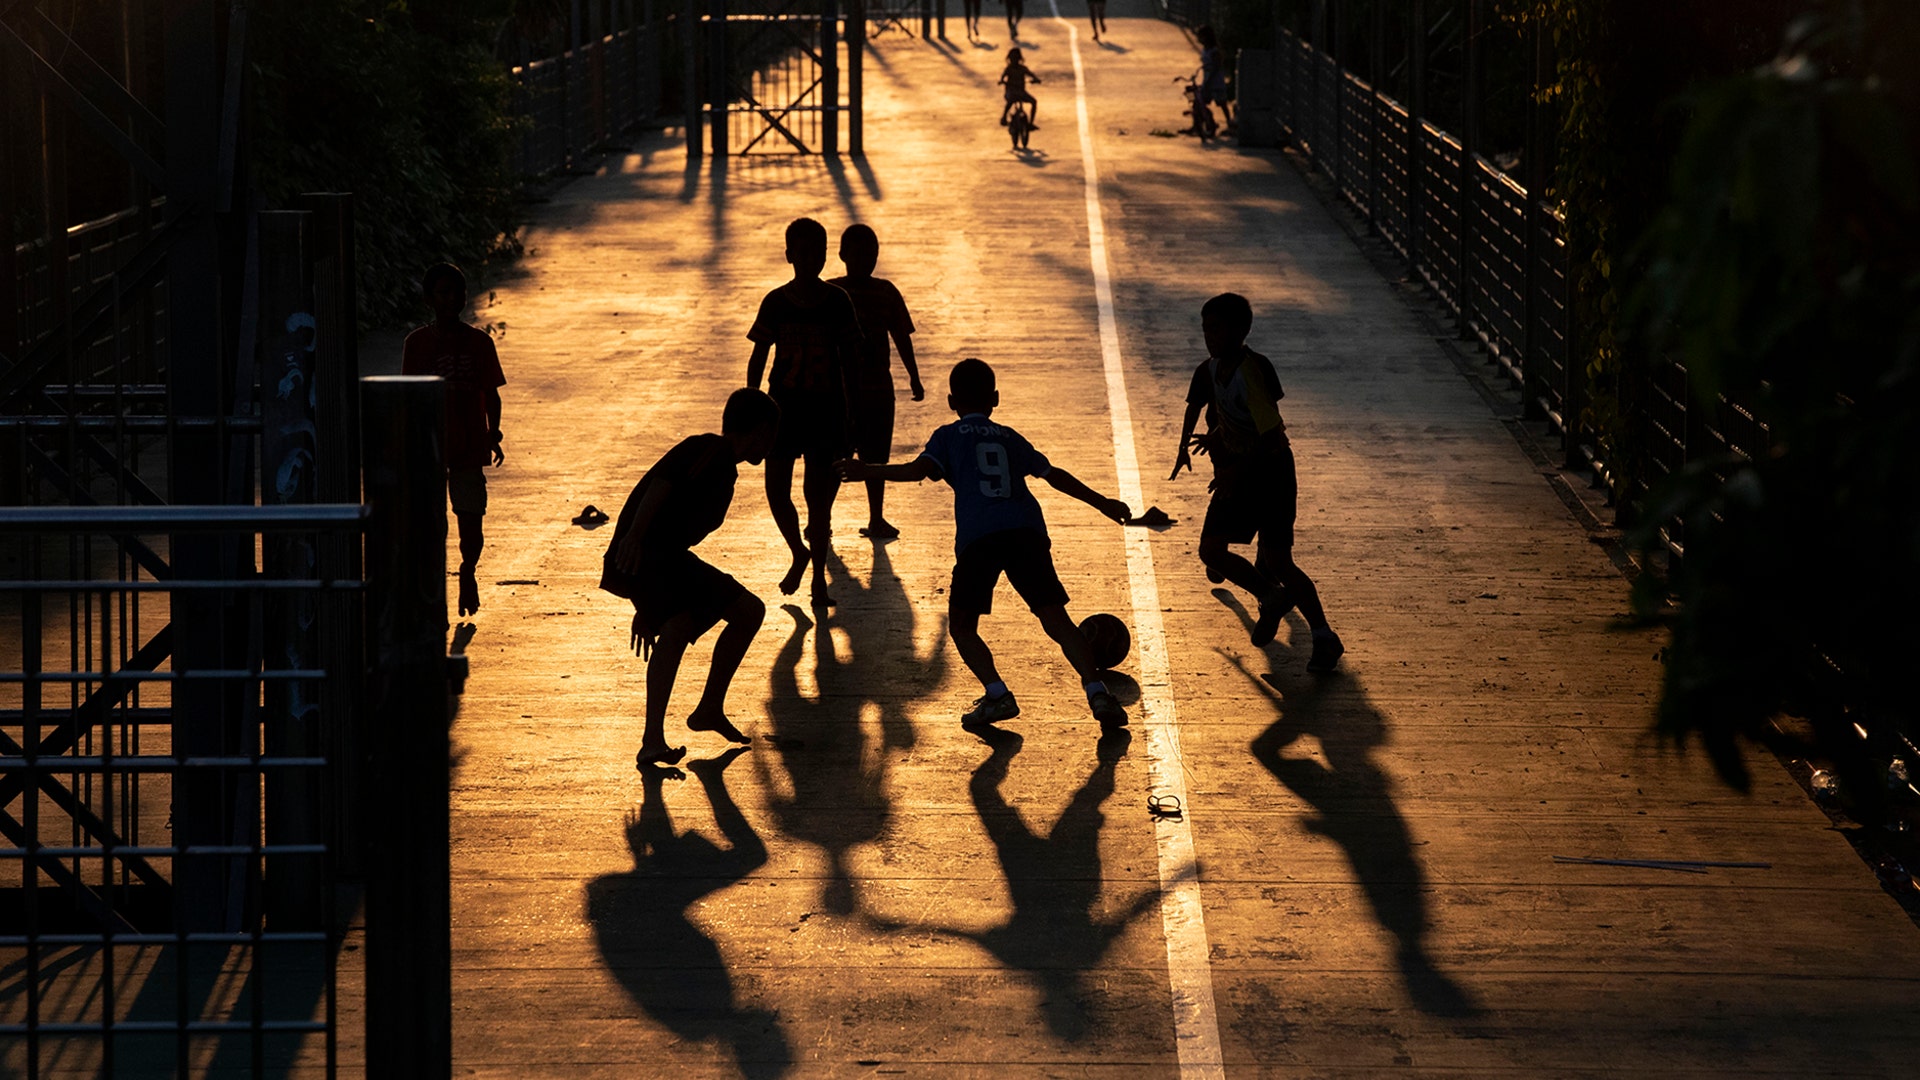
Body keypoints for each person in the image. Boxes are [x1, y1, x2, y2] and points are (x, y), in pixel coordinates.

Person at [838, 358, 1131, 731]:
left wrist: (869, 470)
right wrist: (1102, 502)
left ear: (950, 401)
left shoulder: (946, 436)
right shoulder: (1009, 437)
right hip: (1026, 530)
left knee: (962, 626)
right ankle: (1097, 690)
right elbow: (1053, 476)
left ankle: (997, 694)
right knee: (1055, 618)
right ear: (995, 398)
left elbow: (918, 472)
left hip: (981, 537)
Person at [600, 388, 781, 767]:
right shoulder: (709, 451)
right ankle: (658, 736)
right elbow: (660, 485)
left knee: (693, 622)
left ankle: (706, 711)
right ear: (762, 431)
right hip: (648, 554)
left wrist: (645, 599)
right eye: (773, 434)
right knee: (741, 612)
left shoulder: (724, 465)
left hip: (664, 561)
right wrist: (634, 538)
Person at [1170, 293, 1343, 672]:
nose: (1208, 336)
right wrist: (1192, 443)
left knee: (1279, 559)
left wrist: (1233, 469)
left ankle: (1323, 636)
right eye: (1205, 329)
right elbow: (1200, 408)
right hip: (1238, 472)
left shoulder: (1254, 371)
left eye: (1215, 328)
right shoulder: (1210, 369)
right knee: (1212, 551)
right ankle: (1270, 596)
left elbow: (1272, 437)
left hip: (1270, 473)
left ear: (1240, 330)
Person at [746, 217, 864, 608]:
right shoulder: (776, 302)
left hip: (826, 413)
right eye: (804, 251)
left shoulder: (837, 302)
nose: (812, 257)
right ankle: (798, 550)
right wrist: (752, 403)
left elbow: (851, 362)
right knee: (777, 491)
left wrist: (854, 416)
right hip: (783, 411)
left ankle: (817, 578)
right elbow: (759, 355)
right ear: (789, 255)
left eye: (819, 250)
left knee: (819, 501)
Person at [401, 262, 506, 618]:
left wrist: (494, 433)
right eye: (443, 292)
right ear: (429, 298)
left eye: (456, 292)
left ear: (464, 297)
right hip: (429, 447)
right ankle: (436, 599)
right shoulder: (416, 344)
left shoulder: (479, 343)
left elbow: (492, 394)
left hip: (470, 445)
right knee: (432, 526)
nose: (451, 299)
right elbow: (407, 399)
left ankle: (467, 570)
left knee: (470, 522)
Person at [827, 224, 924, 541]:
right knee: (833, 457)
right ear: (842, 255)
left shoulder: (885, 292)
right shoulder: (832, 293)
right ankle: (822, 518)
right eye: (859, 253)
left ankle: (876, 517)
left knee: (876, 458)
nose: (866, 259)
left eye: (871, 254)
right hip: (839, 392)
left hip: (877, 391)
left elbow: (900, 337)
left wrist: (913, 376)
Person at [1195, 25, 1235, 131]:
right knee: (1199, 102)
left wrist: (1209, 79)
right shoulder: (1205, 50)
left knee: (1222, 103)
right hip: (1207, 80)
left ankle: (1229, 122)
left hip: (1215, 81)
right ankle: (1199, 124)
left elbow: (1216, 66)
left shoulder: (1214, 51)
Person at [999, 46, 1040, 130]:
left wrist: (1036, 79)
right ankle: (1004, 117)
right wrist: (1002, 81)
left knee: (1034, 102)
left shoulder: (1023, 69)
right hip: (1011, 92)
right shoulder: (1009, 69)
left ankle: (1030, 123)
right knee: (1011, 100)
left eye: (1016, 59)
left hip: (1021, 92)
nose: (1014, 61)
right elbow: (1003, 77)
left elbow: (1031, 74)